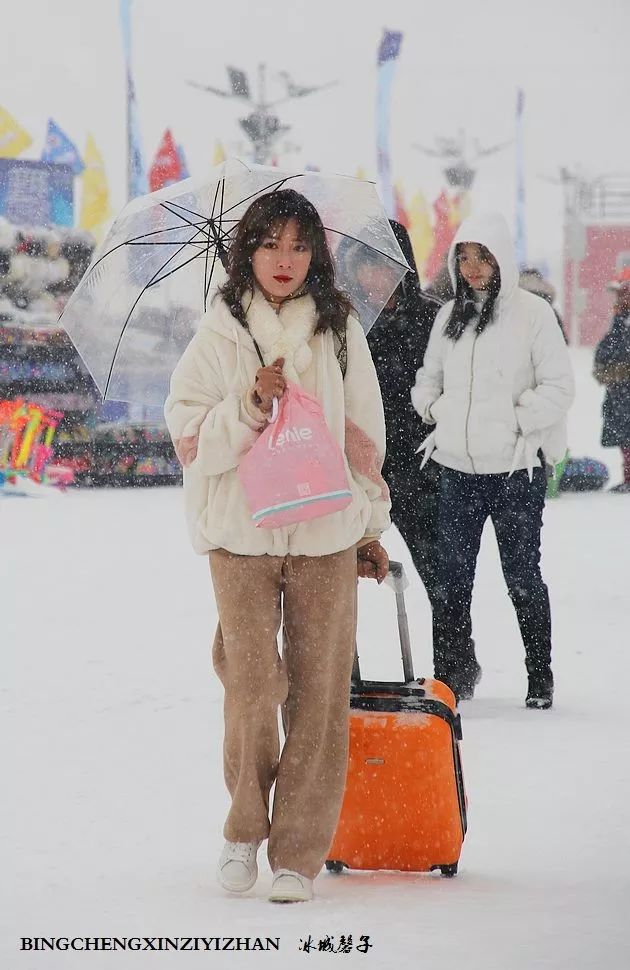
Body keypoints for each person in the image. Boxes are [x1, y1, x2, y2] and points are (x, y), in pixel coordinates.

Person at [164, 189, 390, 903]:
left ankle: (297, 851)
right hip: (241, 536)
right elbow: (190, 441)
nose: (285, 260)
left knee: (321, 696)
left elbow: (365, 438)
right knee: (254, 686)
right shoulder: (218, 334)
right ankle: (242, 827)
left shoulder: (341, 331)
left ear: (317, 255)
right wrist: (250, 404)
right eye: (270, 244)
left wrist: (369, 527)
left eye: (299, 245)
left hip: (324, 532)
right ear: (247, 252)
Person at [412, 212, 574, 709]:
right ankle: (448, 681)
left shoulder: (533, 314)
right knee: (451, 582)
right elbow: (426, 382)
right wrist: (438, 409)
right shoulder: (448, 317)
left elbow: (559, 388)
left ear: (500, 257)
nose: (473, 267)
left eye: (482, 256)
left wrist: (516, 419)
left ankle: (539, 676)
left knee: (522, 578)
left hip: (514, 473)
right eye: (464, 256)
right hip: (457, 470)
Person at [365, 221, 475, 681]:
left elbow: (459, 385)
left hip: (426, 466)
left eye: (385, 261)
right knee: (336, 575)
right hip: (365, 466)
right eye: (367, 262)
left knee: (441, 576)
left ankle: (455, 666)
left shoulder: (436, 318)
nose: (377, 273)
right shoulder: (351, 325)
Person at [593, 269, 630, 492]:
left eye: (624, 293)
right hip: (620, 393)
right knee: (625, 440)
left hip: (623, 392)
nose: (620, 299)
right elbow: (606, 353)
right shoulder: (620, 321)